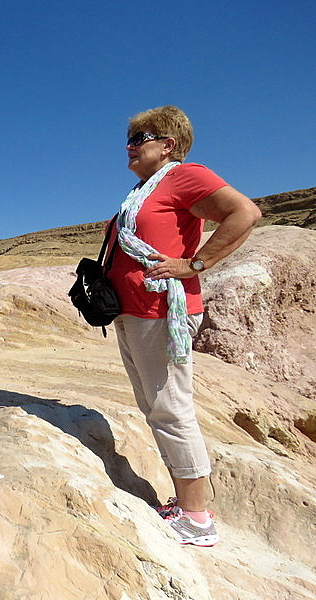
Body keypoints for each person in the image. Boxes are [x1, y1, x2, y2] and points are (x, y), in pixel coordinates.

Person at [108, 106, 261, 546]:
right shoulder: (145, 189)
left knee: (170, 409)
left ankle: (197, 518)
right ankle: (184, 501)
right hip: (136, 310)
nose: (129, 146)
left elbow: (245, 213)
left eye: (140, 138)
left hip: (161, 311)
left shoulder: (185, 175)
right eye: (130, 138)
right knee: (155, 406)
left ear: (168, 144)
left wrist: (195, 264)